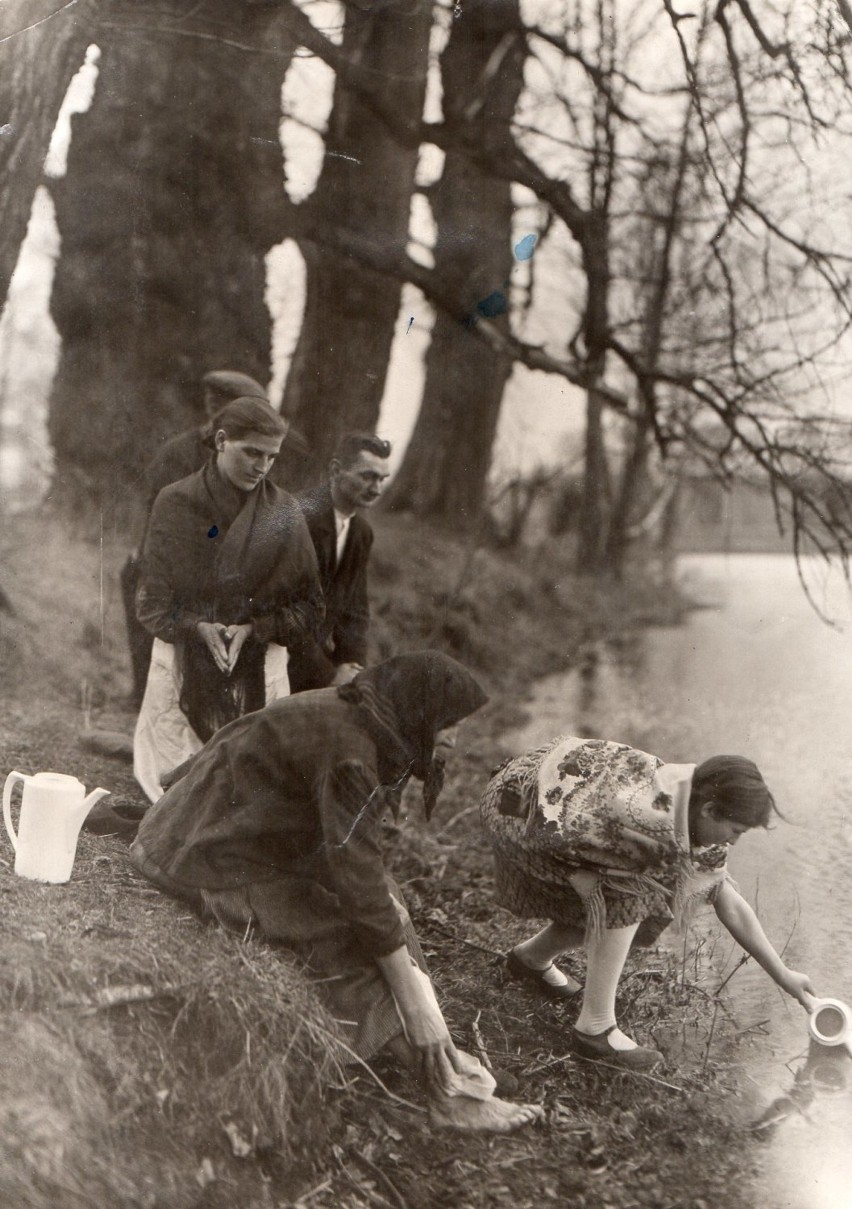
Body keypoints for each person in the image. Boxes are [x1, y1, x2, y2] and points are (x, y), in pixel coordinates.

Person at [129, 651, 542, 1133]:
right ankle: (444, 1092)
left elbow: (362, 871)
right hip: (202, 854)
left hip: (240, 832)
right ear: (416, 711)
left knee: (390, 910)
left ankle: (441, 1051)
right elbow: (357, 885)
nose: (454, 738)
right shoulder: (352, 752)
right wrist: (408, 996)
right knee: (338, 935)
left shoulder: (366, 713)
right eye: (445, 724)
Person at [481, 735, 817, 1069]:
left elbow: (727, 900)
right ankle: (595, 1029)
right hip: (519, 808)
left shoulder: (691, 802)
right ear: (710, 810)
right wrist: (585, 881)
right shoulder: (648, 820)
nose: (735, 841)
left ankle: (531, 960)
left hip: (567, 817)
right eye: (735, 830)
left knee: (627, 884)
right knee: (633, 893)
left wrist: (784, 975)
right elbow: (564, 832)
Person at [133, 396, 323, 803]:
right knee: (174, 789)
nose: (262, 466)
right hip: (185, 650)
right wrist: (197, 627)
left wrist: (255, 629)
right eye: (252, 452)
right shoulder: (176, 501)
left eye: (272, 456)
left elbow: (311, 607)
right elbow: (151, 600)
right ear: (221, 440)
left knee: (249, 785)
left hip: (257, 655)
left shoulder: (285, 512)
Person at [121, 370, 312, 704]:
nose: (262, 464)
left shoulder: (266, 455)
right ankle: (144, 696)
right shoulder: (181, 453)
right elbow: (162, 513)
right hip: (185, 564)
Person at [288, 432, 392, 693]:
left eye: (382, 479)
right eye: (367, 476)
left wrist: (353, 667)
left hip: (313, 662)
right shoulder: (299, 515)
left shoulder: (360, 533)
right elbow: (285, 608)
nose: (376, 489)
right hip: (276, 654)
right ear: (336, 470)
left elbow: (355, 611)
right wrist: (328, 674)